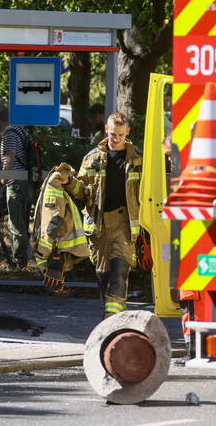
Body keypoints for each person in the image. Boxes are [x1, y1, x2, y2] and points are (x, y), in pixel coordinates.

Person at [78, 112, 142, 318]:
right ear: (106, 129)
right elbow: (82, 191)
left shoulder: (137, 159)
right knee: (103, 277)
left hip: (124, 223)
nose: (116, 139)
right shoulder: (91, 159)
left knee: (119, 273)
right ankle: (115, 317)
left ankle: (111, 320)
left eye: (121, 135)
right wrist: (68, 183)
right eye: (113, 134)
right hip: (99, 226)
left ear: (128, 132)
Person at [31, 162, 89, 291]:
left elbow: (53, 222)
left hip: (56, 244)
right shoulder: (55, 187)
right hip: (64, 245)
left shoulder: (52, 188)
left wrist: (42, 253)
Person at [0, 104, 31, 269]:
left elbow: (10, 157)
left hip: (15, 182)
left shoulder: (9, 133)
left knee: (15, 224)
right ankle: (24, 258)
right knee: (22, 222)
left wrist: (4, 178)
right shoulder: (22, 131)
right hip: (26, 182)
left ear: (0, 119)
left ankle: (18, 262)